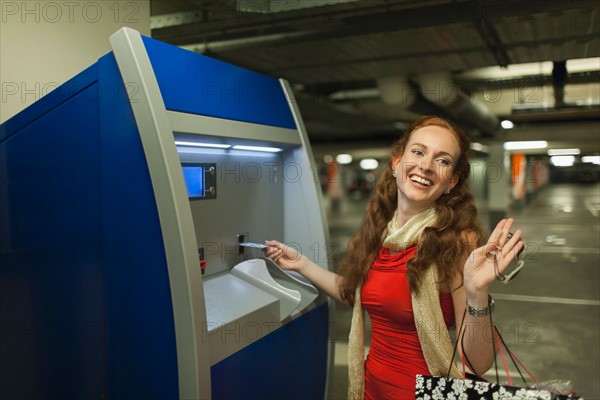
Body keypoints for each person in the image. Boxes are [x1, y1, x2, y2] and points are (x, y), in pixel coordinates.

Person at [265, 115, 524, 400]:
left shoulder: (458, 243)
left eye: (443, 160)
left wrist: (477, 295)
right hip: (370, 387)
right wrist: (301, 263)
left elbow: (477, 363)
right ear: (397, 162)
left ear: (451, 181)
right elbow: (355, 292)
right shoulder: (381, 230)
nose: (426, 165)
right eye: (418, 151)